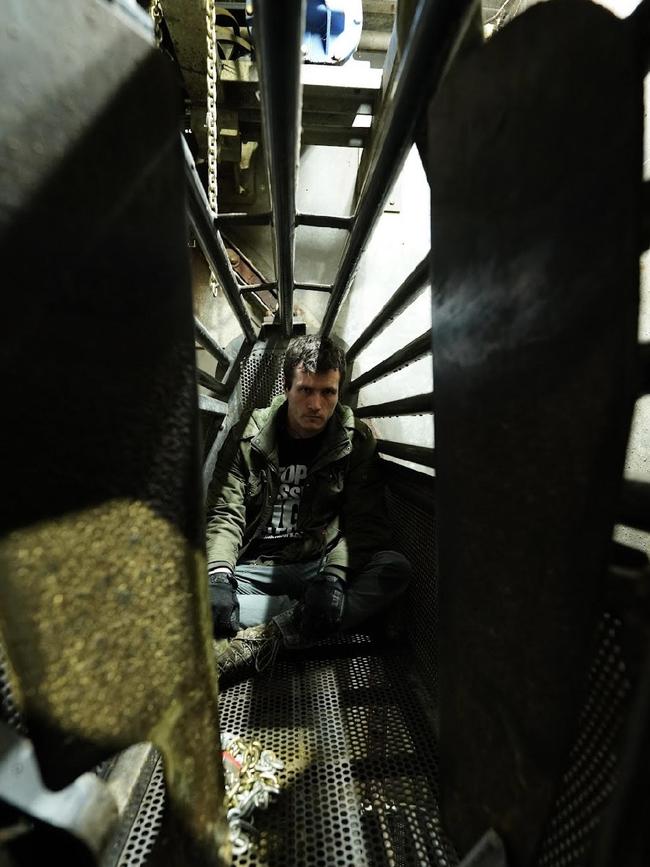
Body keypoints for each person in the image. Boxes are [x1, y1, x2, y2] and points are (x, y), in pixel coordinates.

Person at [206, 335, 411, 685]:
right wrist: (219, 577)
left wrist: (334, 577)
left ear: (338, 392)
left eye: (328, 392)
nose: (316, 404)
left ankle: (268, 636)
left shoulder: (355, 440)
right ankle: (304, 620)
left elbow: (365, 525)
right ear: (286, 388)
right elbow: (226, 513)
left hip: (318, 564)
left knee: (394, 568)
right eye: (305, 390)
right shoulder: (248, 436)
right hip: (256, 568)